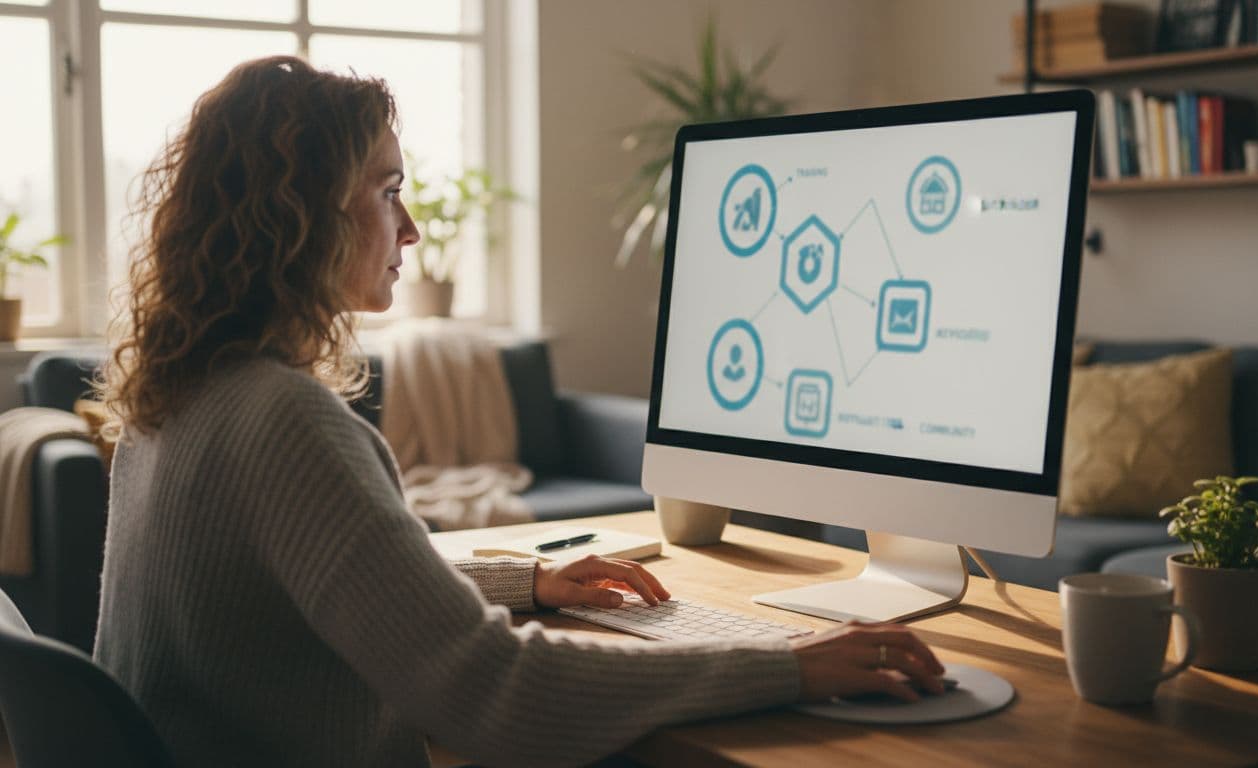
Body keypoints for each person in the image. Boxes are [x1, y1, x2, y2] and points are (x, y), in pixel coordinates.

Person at [93, 55, 946, 767]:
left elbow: (323, 598)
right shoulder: (285, 424)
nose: (411, 228)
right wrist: (786, 664)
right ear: (306, 214)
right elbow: (497, 695)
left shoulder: (177, 397)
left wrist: (521, 582)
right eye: (388, 190)